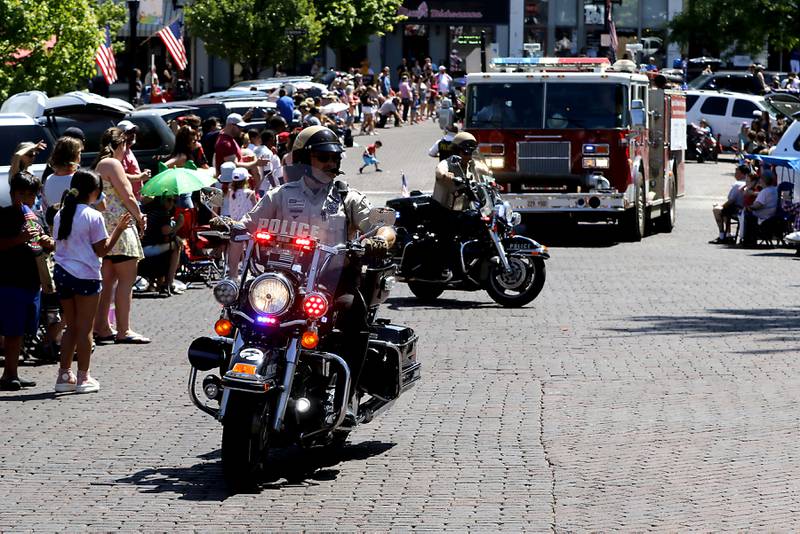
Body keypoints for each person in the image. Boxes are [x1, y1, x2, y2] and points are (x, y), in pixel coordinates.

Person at [231, 126, 395, 423]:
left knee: (352, 317)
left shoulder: (347, 197)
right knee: (240, 311)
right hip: (284, 281)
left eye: (335, 157)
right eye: (324, 157)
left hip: (331, 282)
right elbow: (248, 223)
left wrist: (381, 239)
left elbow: (380, 224)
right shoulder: (281, 194)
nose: (332, 164)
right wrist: (227, 226)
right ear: (305, 159)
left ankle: (350, 396)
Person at [52, 170, 131, 393]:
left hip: (63, 273)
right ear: (95, 192)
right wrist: (119, 230)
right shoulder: (93, 215)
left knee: (71, 326)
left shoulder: (61, 213)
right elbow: (102, 250)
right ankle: (83, 378)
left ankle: (64, 374)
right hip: (85, 275)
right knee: (85, 329)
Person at [91, 128, 149, 345]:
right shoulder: (113, 164)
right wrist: (141, 217)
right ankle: (124, 329)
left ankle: (102, 327)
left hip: (105, 229)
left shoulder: (99, 165)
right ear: (120, 144)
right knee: (126, 280)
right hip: (121, 227)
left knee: (107, 281)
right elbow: (128, 195)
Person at [0, 172, 54, 390]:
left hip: (32, 280)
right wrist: (20, 239)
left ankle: (11, 373)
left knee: (21, 331)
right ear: (12, 194)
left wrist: (47, 241)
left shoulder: (37, 216)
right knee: (11, 331)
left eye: (30, 195)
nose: (24, 199)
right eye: (20, 193)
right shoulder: (4, 216)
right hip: (9, 280)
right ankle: (9, 375)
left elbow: (49, 242)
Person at [140, 195, 184, 297]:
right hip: (149, 249)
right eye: (169, 200)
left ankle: (154, 283)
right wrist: (179, 224)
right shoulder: (162, 213)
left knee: (172, 244)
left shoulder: (147, 210)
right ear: (162, 201)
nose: (172, 203)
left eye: (174, 201)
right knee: (177, 245)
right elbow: (166, 231)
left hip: (142, 248)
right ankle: (169, 282)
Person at [224, 168, 257, 278]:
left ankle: (233, 276)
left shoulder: (230, 192)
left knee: (235, 254)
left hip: (234, 224)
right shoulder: (250, 193)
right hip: (247, 225)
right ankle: (247, 273)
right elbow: (256, 208)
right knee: (249, 252)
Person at [42, 136, 82, 216]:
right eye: (79, 152)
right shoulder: (80, 179)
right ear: (75, 155)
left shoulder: (48, 179)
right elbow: (101, 206)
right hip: (78, 225)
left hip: (56, 225)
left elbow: (45, 207)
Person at [710, 164, 750, 243]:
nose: (735, 174)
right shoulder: (749, 183)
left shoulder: (737, 184)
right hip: (743, 209)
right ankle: (728, 234)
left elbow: (731, 200)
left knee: (717, 210)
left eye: (737, 172)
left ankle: (722, 235)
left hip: (738, 210)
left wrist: (720, 206)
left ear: (742, 174)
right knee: (726, 209)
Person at [117, 120, 152, 199]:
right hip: (128, 198)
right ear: (121, 135)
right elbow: (120, 176)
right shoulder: (120, 152)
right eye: (129, 132)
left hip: (136, 197)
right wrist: (140, 177)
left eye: (134, 131)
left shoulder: (128, 150)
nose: (133, 134)